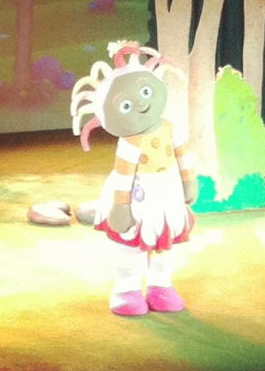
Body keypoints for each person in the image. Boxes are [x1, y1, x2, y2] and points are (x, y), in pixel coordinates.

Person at [71, 43, 197, 316]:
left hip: (167, 195)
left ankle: (160, 285)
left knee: (166, 243)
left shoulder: (170, 128)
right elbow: (123, 175)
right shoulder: (129, 142)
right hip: (138, 199)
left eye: (145, 91)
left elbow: (183, 155)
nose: (140, 103)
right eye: (126, 104)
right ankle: (127, 288)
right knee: (131, 245)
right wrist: (121, 206)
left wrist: (189, 182)